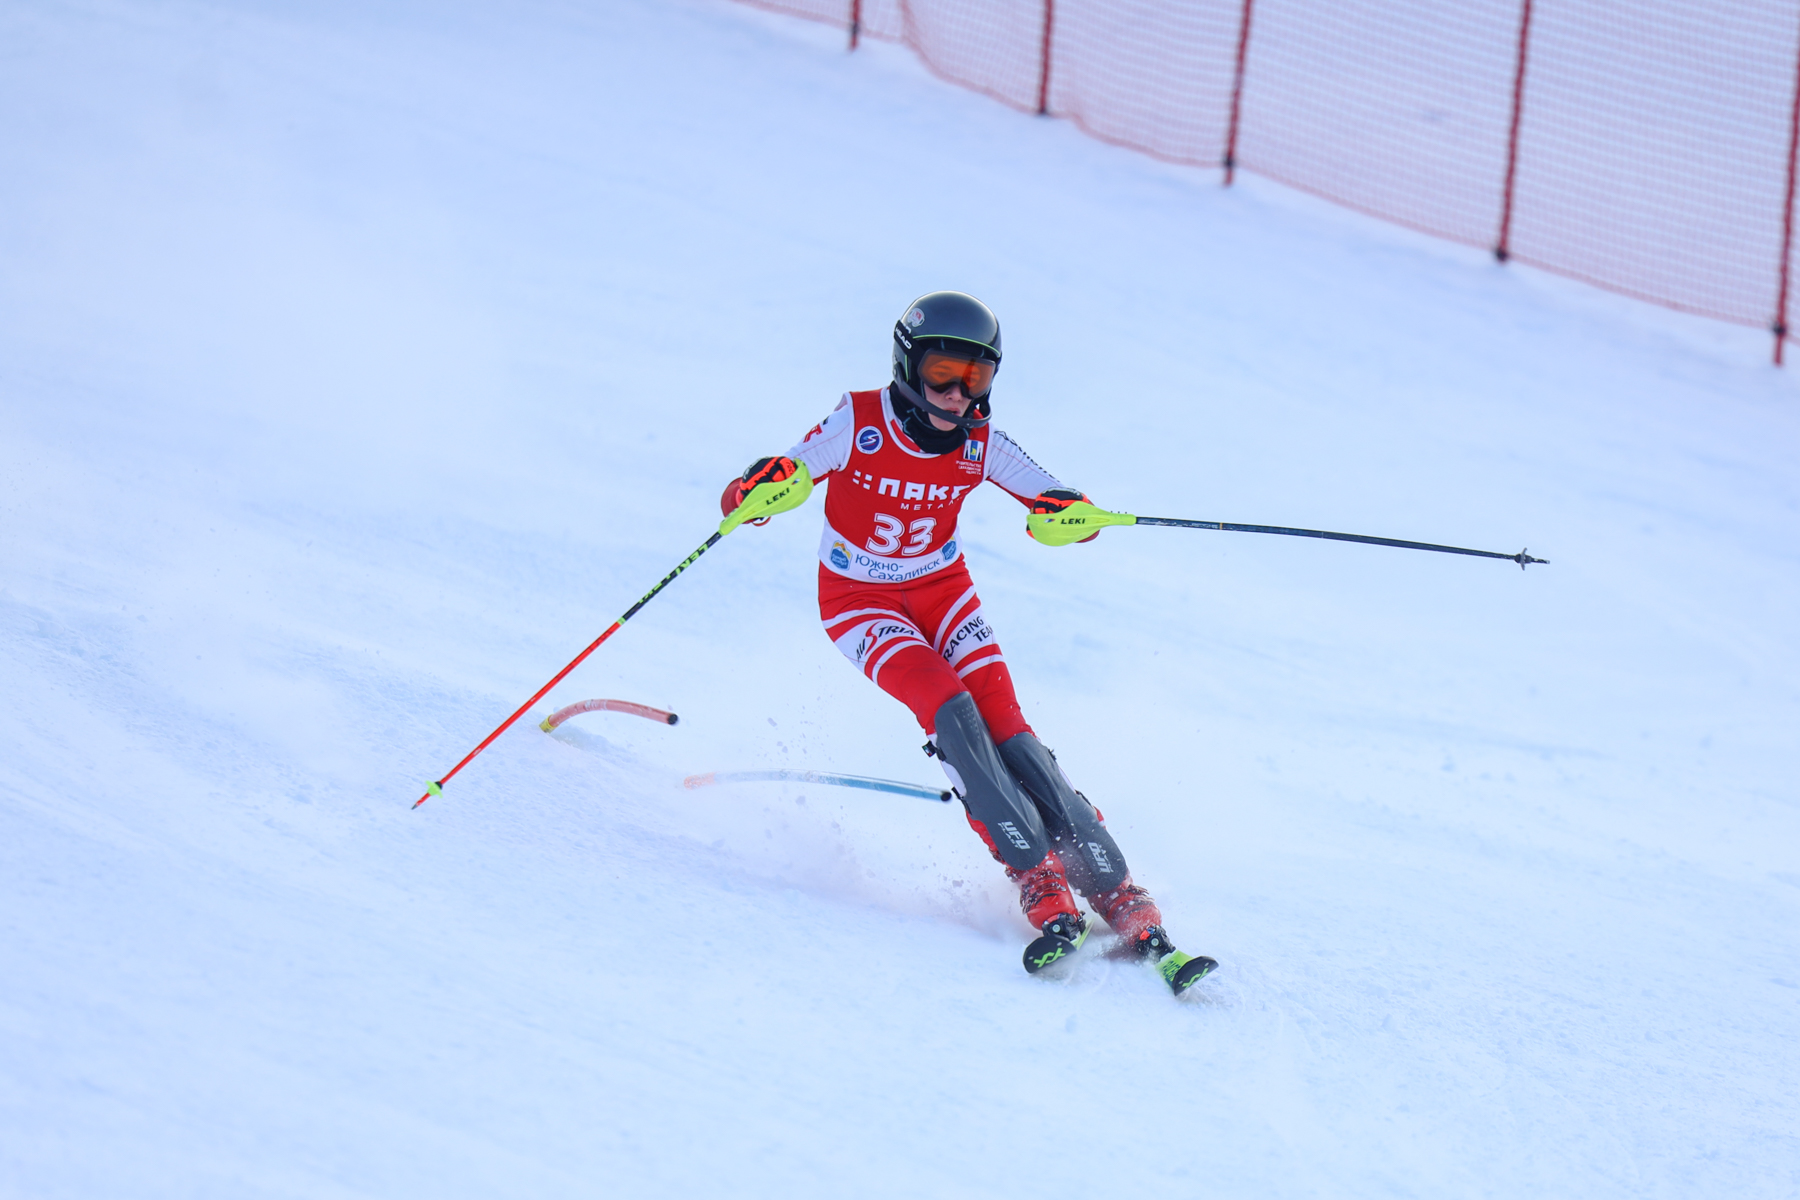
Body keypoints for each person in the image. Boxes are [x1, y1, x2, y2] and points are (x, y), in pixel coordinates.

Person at [722, 291, 1207, 984]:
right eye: (943, 373)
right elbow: (786, 476)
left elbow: (1053, 499)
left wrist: (1075, 517)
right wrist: (757, 491)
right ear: (907, 366)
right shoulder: (859, 422)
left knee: (1010, 730)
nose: (957, 394)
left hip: (944, 593)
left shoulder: (981, 444)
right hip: (861, 602)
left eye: (975, 379)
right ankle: (1038, 878)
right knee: (952, 713)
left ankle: (1116, 888)